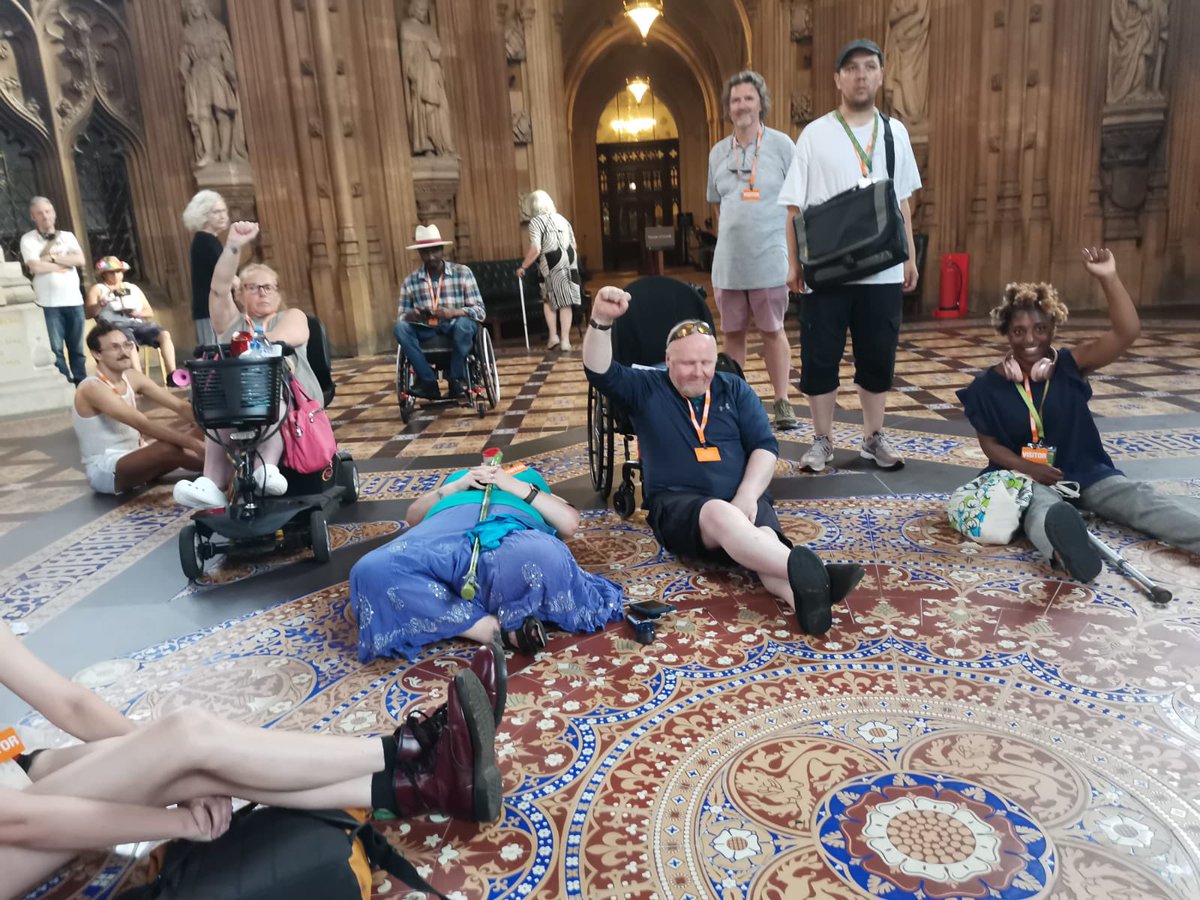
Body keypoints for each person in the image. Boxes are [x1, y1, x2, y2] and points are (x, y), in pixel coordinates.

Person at [0, 621, 503, 900]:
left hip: (16, 771)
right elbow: (15, 821)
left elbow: (71, 704)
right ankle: (406, 758)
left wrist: (158, 764)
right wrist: (174, 819)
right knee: (188, 738)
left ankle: (420, 781)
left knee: (182, 754)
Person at [582, 288, 866, 637]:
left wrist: (746, 496)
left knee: (763, 539)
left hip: (745, 501)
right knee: (719, 513)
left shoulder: (733, 388)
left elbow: (765, 446)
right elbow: (599, 372)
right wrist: (602, 321)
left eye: (707, 363)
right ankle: (817, 572)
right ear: (667, 360)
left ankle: (803, 597)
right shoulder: (646, 387)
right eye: (688, 364)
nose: (699, 373)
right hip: (681, 508)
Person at [956, 247, 1200, 580]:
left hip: (1083, 471)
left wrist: (1109, 278)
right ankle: (1068, 552)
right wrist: (1028, 467)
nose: (1030, 339)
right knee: (1041, 510)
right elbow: (989, 444)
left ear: (1053, 328)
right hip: (1024, 477)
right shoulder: (986, 386)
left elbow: (1126, 332)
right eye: (1019, 331)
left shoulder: (1070, 366)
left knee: (1140, 499)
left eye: (1040, 329)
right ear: (1006, 334)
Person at [780, 39, 922, 473]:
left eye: (869, 67)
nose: (861, 75)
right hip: (828, 270)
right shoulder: (815, 134)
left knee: (878, 357)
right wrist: (793, 263)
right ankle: (821, 440)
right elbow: (793, 206)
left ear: (881, 75)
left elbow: (902, 204)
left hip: (881, 270)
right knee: (820, 358)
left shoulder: (895, 132)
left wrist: (910, 258)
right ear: (837, 79)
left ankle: (872, 437)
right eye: (852, 68)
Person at [350, 461, 624, 661]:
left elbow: (569, 524)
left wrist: (514, 485)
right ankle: (489, 630)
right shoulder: (458, 479)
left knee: (547, 555)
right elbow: (413, 517)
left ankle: (444, 607)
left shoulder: (531, 483)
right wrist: (456, 485)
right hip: (441, 533)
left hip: (509, 533)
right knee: (370, 570)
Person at [172, 221, 324, 508]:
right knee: (216, 407)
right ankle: (212, 483)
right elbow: (217, 290)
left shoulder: (290, 315)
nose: (263, 293)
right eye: (254, 288)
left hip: (290, 393)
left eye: (269, 287)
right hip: (234, 398)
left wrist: (259, 343)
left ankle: (265, 468)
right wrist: (232, 246)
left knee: (271, 393)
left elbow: (293, 334)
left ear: (278, 293)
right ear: (240, 294)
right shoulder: (231, 322)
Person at [706, 71, 798, 430]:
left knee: (773, 330)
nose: (741, 105)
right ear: (728, 108)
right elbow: (717, 207)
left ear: (761, 102)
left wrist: (795, 259)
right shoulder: (717, 152)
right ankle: (736, 400)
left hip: (770, 258)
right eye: (735, 100)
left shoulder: (781, 145)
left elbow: (797, 205)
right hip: (729, 263)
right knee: (733, 335)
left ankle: (782, 400)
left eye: (748, 98)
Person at [73, 320, 205, 496]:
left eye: (127, 345)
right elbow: (143, 424)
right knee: (167, 447)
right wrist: (192, 443)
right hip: (107, 468)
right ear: (97, 354)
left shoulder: (132, 377)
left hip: (139, 454)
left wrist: (208, 428)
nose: (125, 352)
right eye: (115, 347)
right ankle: (222, 470)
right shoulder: (92, 388)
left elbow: (180, 406)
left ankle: (220, 464)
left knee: (203, 428)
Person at [394, 224, 485, 401]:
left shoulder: (463, 273)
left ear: (442, 250)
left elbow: (480, 311)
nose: (431, 257)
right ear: (420, 254)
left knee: (465, 325)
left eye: (435, 251)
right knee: (400, 327)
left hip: (455, 324)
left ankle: (456, 378)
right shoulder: (410, 282)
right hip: (427, 328)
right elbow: (402, 316)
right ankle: (428, 382)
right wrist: (411, 315)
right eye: (426, 253)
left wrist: (453, 312)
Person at [20, 196, 87, 386]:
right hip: (48, 304)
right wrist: (63, 261)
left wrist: (51, 260)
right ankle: (65, 385)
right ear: (33, 217)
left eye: (48, 212)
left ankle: (82, 385)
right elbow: (34, 267)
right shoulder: (28, 239)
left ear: (54, 214)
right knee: (55, 350)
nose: (45, 216)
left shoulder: (67, 236)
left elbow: (80, 260)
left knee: (77, 349)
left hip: (74, 301)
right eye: (40, 213)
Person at [84, 257, 181, 383]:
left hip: (136, 323)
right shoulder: (98, 289)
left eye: (118, 271)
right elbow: (88, 314)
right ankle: (140, 380)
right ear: (104, 274)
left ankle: (173, 376)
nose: (116, 275)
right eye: (111, 272)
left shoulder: (132, 288)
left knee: (164, 335)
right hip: (113, 327)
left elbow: (149, 311)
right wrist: (101, 304)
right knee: (128, 342)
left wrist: (137, 313)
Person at [178, 0, 247, 166]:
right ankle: (209, 153)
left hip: (216, 71)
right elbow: (185, 58)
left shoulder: (217, 29)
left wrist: (230, 73)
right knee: (203, 115)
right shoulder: (187, 33)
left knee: (222, 112)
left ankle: (225, 152)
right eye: (192, 7)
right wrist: (184, 71)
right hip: (198, 76)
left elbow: (226, 54)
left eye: (198, 6)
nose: (195, 10)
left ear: (204, 7)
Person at [517, 190, 581, 352]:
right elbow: (574, 246)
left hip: (551, 264)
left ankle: (553, 337)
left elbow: (536, 248)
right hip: (570, 263)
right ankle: (565, 340)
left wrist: (524, 266)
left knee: (549, 300)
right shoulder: (563, 220)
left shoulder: (536, 222)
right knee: (566, 301)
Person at [182, 190, 229, 346]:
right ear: (202, 215)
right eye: (216, 212)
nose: (222, 216)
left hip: (217, 309)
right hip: (209, 310)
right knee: (213, 356)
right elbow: (223, 275)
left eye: (223, 211)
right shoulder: (204, 241)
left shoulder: (211, 240)